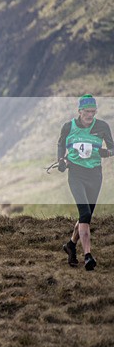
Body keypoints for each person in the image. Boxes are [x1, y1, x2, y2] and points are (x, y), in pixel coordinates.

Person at [57, 94, 113, 270]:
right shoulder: (68, 127)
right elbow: (61, 144)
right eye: (87, 111)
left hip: (95, 175)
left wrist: (105, 152)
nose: (90, 115)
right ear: (79, 111)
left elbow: (112, 148)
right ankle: (88, 256)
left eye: (93, 111)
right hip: (76, 174)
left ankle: (71, 245)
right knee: (85, 214)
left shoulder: (102, 126)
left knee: (85, 216)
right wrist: (61, 161)